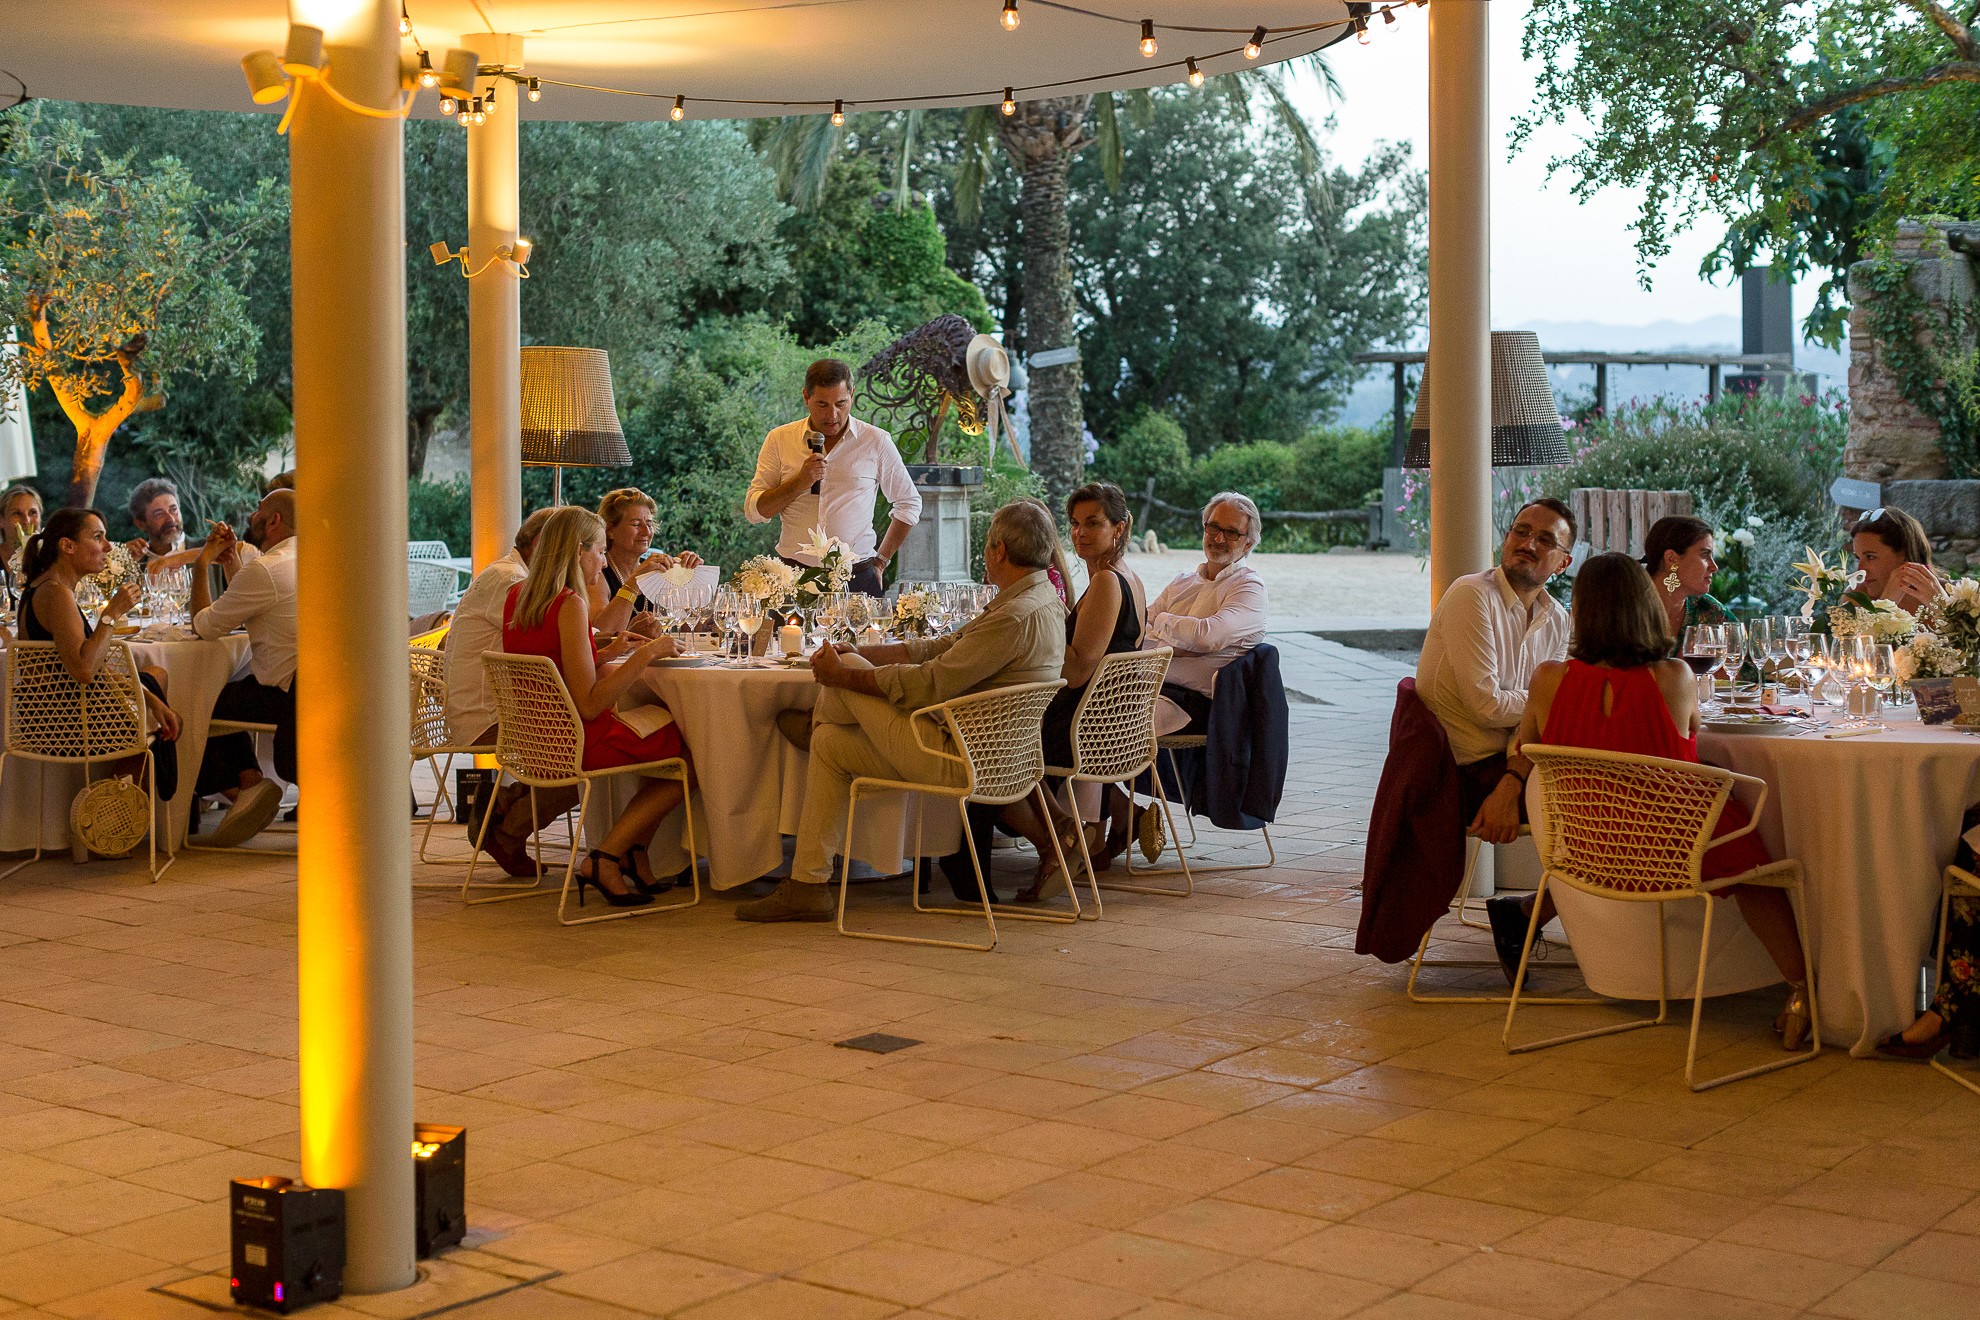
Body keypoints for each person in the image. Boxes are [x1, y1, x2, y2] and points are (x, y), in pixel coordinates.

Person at [1491, 552, 1812, 1048]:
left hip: (1586, 851)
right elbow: (1694, 733)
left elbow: (1529, 746)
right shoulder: (1674, 677)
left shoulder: (1548, 680)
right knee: (1760, 873)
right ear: (1645, 605)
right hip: (1671, 850)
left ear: (1582, 611)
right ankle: (1801, 991)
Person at [739, 501, 1066, 922]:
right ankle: (808, 884)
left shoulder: (1015, 616)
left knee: (848, 679)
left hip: (960, 758)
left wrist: (844, 673)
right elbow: (939, 647)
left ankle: (819, 715)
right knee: (830, 742)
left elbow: (929, 681)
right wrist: (859, 650)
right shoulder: (1042, 599)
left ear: (999, 550)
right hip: (1002, 758)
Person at [501, 507, 693, 906]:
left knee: (665, 738)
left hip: (537, 735)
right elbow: (589, 704)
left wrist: (608, 649)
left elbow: (556, 662)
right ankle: (607, 856)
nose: (604, 561)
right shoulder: (570, 604)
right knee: (687, 757)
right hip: (577, 738)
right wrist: (650, 652)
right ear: (577, 552)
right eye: (600, 552)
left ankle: (635, 855)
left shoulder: (520, 596)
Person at [1003, 482, 1146, 893]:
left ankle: (1058, 846)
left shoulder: (1107, 583)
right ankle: (1095, 825)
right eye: (1075, 524)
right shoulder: (1125, 577)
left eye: (1093, 523)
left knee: (996, 741)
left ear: (1119, 528)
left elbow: (1080, 667)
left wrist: (1035, 636)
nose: (1080, 533)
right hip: (1110, 720)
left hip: (1085, 727)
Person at [1417, 499, 1575, 850]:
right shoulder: (1472, 595)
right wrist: (1541, 702)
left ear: (1564, 563)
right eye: (1521, 531)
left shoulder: (1559, 621)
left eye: (1545, 540)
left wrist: (1513, 777)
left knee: (1609, 792)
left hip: (1512, 768)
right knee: (1594, 803)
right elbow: (1486, 708)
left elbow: (1534, 722)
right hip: (1460, 775)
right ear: (1506, 539)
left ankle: (1539, 905)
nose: (1528, 544)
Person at [15, 508, 182, 803]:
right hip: (63, 722)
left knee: (156, 682)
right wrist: (112, 613)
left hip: (52, 713)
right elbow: (85, 670)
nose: (107, 547)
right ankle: (109, 812)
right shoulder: (56, 594)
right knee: (168, 718)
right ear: (68, 546)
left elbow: (84, 666)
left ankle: (114, 809)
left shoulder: (44, 588)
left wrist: (152, 700)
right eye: (98, 537)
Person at [744, 358, 921, 596]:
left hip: (858, 578)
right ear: (806, 397)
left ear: (852, 394)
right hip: (791, 579)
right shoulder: (779, 439)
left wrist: (881, 560)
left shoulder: (876, 441)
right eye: (822, 404)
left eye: (841, 403)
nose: (833, 415)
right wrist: (799, 482)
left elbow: (909, 503)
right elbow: (755, 511)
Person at [188, 489, 300, 846]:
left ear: (274, 521)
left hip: (288, 698)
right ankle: (249, 783)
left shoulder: (266, 570)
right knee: (229, 687)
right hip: (321, 688)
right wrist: (233, 565)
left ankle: (244, 785)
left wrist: (201, 566)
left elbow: (205, 626)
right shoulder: (319, 559)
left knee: (195, 700)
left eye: (259, 510)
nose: (252, 515)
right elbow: (257, 602)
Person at [1143, 492, 1269, 734]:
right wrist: (1179, 646)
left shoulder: (1249, 587)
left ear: (1248, 544)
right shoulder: (1181, 582)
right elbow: (1138, 631)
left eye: (1231, 532)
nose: (1218, 538)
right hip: (1148, 689)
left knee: (1106, 725)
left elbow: (1205, 636)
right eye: (1213, 527)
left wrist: (1162, 622)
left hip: (1197, 705)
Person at [589, 488, 702, 622]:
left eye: (649, 524)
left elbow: (685, 628)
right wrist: (635, 580)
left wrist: (687, 577)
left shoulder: (656, 569)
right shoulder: (598, 573)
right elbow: (599, 633)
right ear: (610, 530)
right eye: (636, 524)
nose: (646, 532)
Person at [1642, 516, 1729, 643]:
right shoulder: (1628, 611)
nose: (1714, 567)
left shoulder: (1709, 610)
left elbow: (1750, 657)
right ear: (1671, 559)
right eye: (1705, 555)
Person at [1852, 506, 1945, 613]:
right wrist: (1887, 603)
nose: (1860, 570)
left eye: (1870, 557)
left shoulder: (1959, 594)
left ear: (1904, 553)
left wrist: (1945, 608)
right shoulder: (1855, 599)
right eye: (1858, 558)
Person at [2, 483, 42, 602]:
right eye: (17, 514)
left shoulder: (51, 561)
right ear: (1, 520)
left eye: (33, 513)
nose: (26, 520)